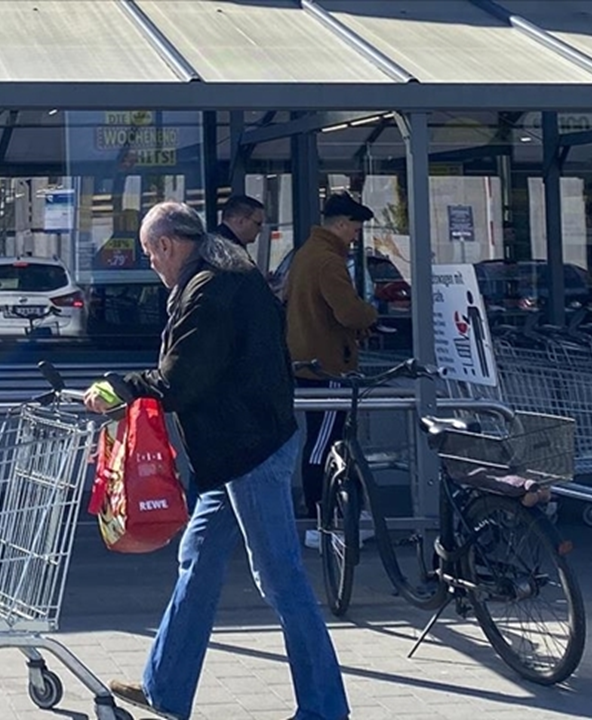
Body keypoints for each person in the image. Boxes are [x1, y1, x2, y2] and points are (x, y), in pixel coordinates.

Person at [84, 201, 349, 720]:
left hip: (249, 451)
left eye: (149, 254)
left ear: (165, 244)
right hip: (234, 452)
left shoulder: (210, 290)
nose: (152, 266)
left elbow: (181, 379)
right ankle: (165, 689)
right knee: (198, 564)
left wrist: (120, 388)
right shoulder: (223, 271)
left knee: (280, 578)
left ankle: (324, 708)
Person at [285, 192, 378, 533]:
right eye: (354, 229)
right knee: (324, 442)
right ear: (340, 225)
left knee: (322, 439)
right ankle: (318, 515)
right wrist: (371, 314)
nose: (355, 236)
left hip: (309, 360)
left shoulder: (306, 254)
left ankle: (326, 511)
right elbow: (349, 311)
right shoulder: (328, 261)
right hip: (329, 365)